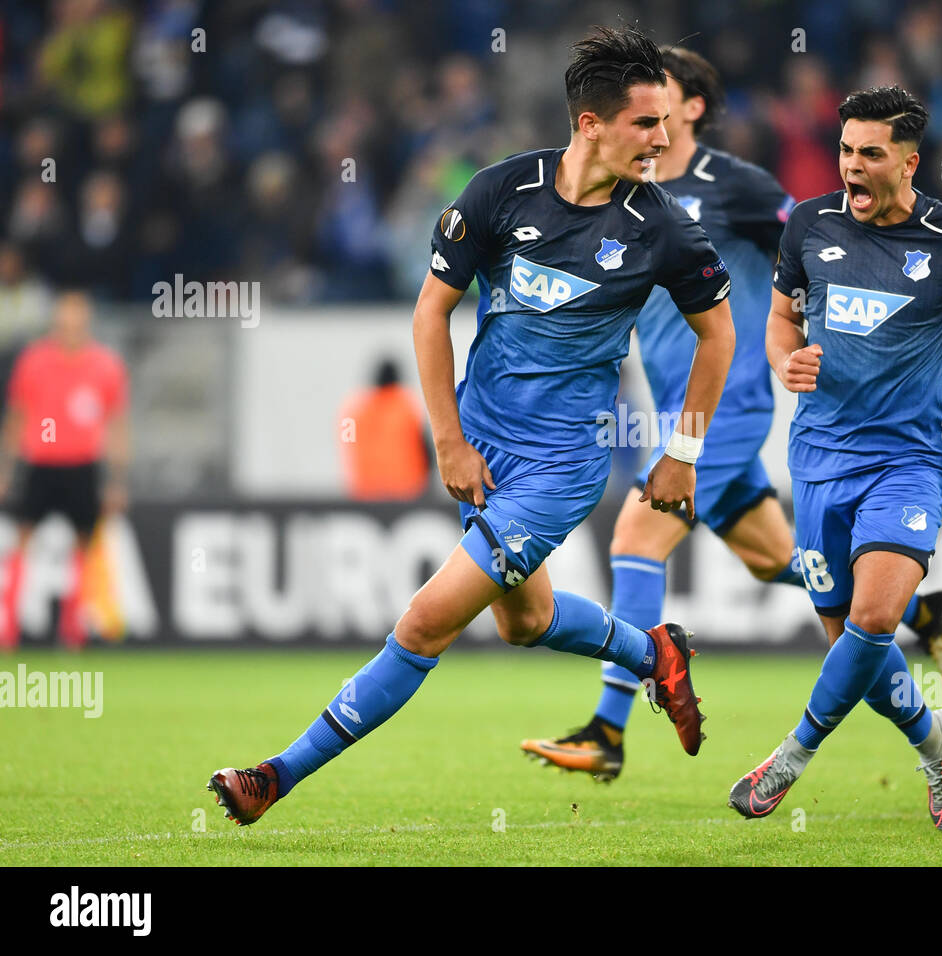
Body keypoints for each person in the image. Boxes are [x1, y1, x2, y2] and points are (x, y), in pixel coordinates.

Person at [206, 26, 736, 826]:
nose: (664, 139)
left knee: (424, 623)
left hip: (562, 463)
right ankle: (655, 651)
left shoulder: (660, 225)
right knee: (524, 622)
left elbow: (718, 332)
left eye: (667, 123)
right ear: (589, 124)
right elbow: (430, 314)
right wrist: (450, 440)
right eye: (646, 123)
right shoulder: (498, 192)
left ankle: (274, 777)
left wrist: (682, 454)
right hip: (483, 450)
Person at [520, 49, 942, 783]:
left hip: (726, 405)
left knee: (637, 535)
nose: (646, 115)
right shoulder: (624, 196)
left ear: (691, 107)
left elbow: (823, 244)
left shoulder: (736, 188)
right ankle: (927, 624)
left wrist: (829, 336)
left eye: (657, 97)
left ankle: (609, 729)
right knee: (776, 562)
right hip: (674, 409)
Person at [728, 87, 942, 831]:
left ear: (909, 162)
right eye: (845, 150)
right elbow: (781, 319)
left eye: (870, 154)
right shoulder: (808, 225)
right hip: (815, 460)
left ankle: (789, 758)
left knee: (873, 619)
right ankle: (937, 744)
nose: (851, 166)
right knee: (853, 647)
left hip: (904, 460)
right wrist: (785, 360)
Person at [0, 290, 130, 649]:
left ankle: (74, 631)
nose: (70, 330)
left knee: (84, 545)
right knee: (23, 540)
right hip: (40, 462)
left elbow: (116, 424)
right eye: (64, 323)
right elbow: (17, 416)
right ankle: (7, 628)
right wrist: (6, 468)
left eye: (77, 323)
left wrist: (117, 479)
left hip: (82, 465)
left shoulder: (105, 365)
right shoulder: (34, 361)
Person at [338, 357, 433, 501]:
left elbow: (348, 447)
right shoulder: (406, 405)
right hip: (407, 490)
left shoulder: (356, 410)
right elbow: (427, 450)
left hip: (364, 490)